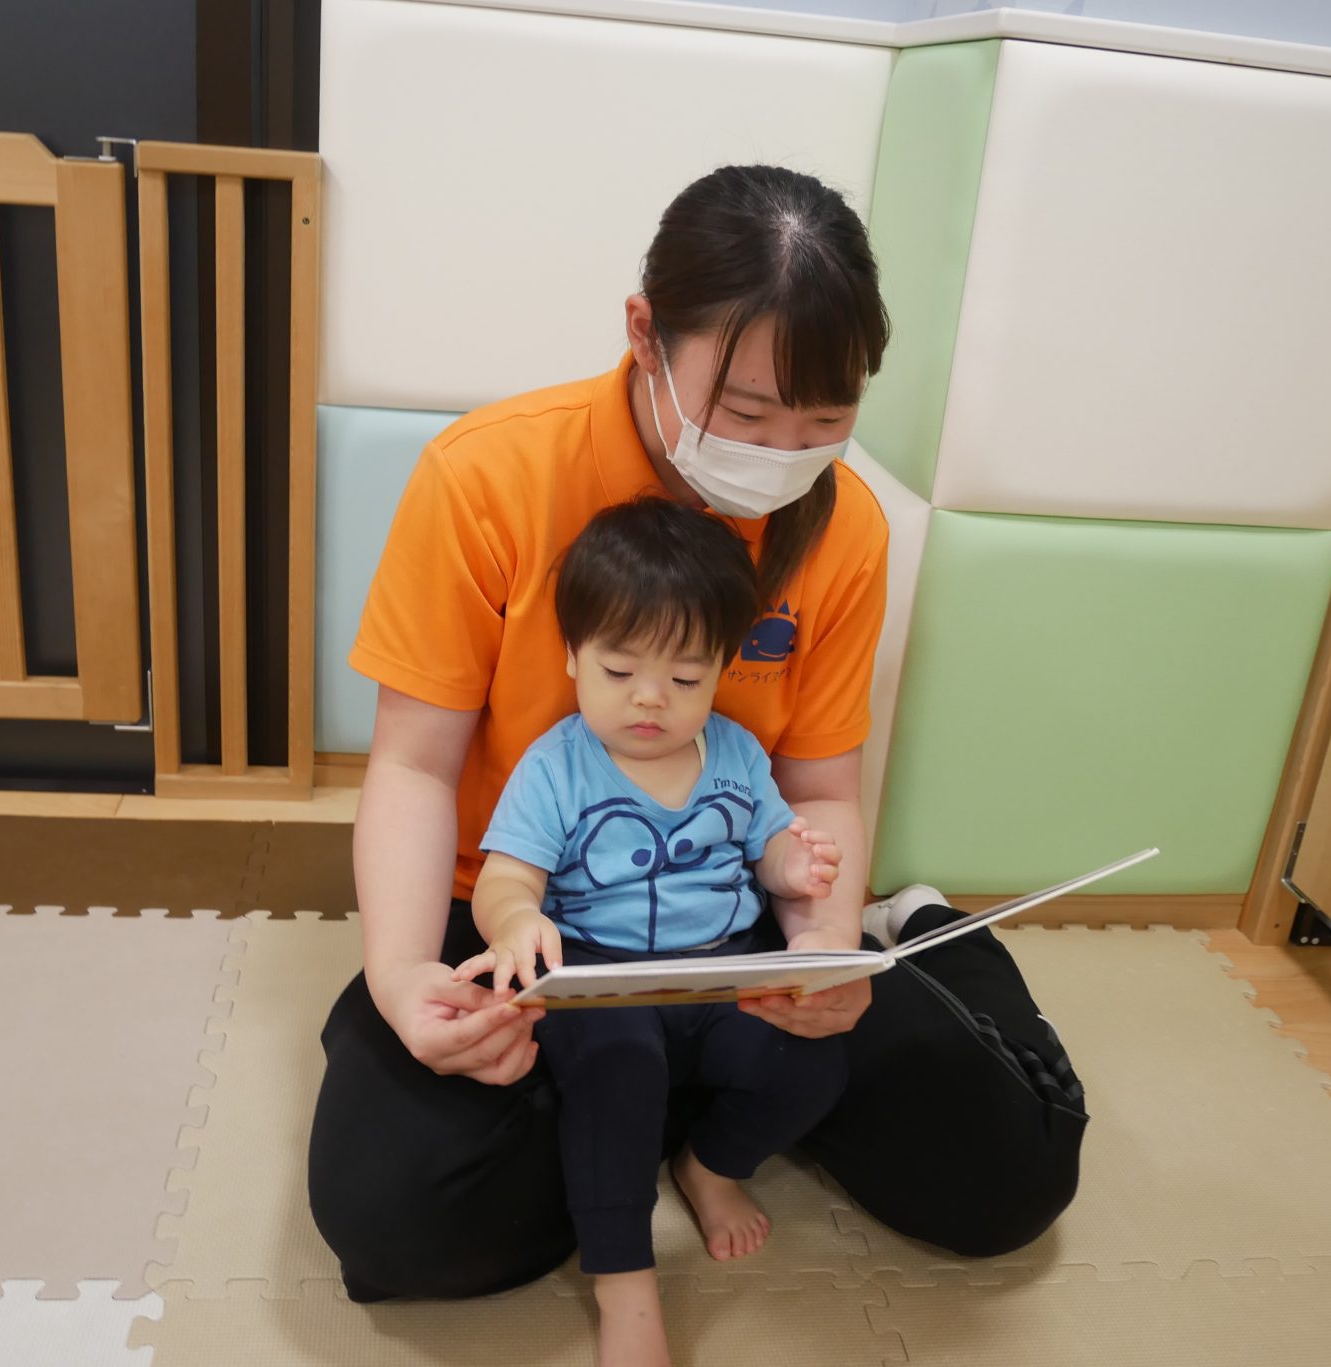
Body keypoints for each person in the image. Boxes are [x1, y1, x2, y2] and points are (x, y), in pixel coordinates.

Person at [309, 163, 1089, 1317]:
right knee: (400, 1227)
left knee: (1006, 1180)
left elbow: (819, 784)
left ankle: (920, 937)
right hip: (539, 933)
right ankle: (678, 1116)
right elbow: (414, 764)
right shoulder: (489, 475)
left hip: (741, 918)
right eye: (747, 412)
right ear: (644, 335)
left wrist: (821, 953)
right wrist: (401, 976)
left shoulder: (843, 527)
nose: (782, 450)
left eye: (824, 420)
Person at [457, 497, 849, 1366]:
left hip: (725, 966)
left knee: (810, 1061)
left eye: (684, 679)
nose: (649, 699)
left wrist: (795, 866)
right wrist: (517, 919)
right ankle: (624, 1279)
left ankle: (711, 1166)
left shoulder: (736, 753)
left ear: (721, 670)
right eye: (619, 669)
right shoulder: (556, 765)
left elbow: (769, 846)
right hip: (603, 976)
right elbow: (507, 879)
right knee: (615, 1070)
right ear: (573, 655)